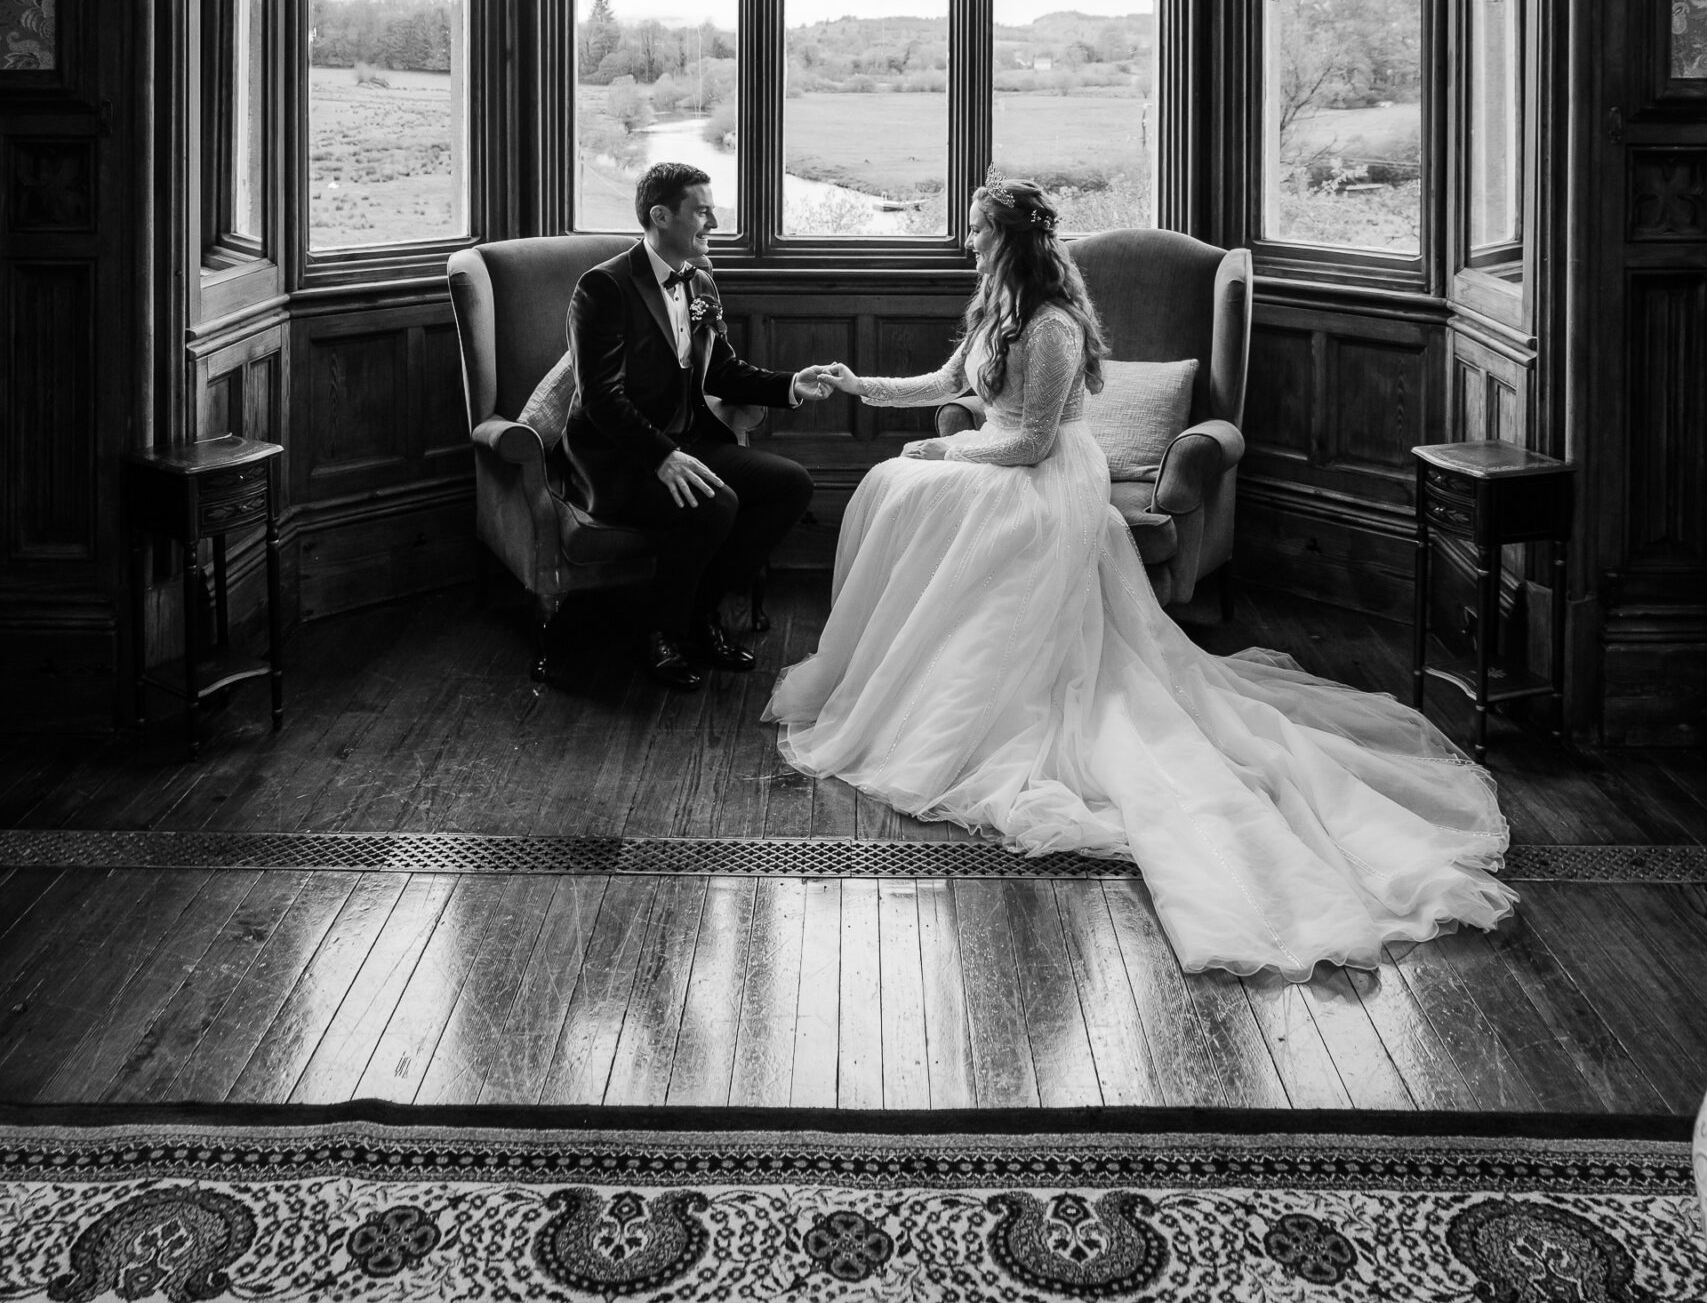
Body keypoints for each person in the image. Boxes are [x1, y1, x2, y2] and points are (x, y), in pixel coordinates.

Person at [765, 168, 1516, 981]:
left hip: (1045, 478)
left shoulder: (1049, 325)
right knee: (898, 484)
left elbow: (1027, 444)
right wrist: (858, 388)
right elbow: (944, 386)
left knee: (911, 482)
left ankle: (974, 687)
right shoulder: (993, 306)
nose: (968, 239)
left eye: (978, 229)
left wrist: (943, 447)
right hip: (1003, 463)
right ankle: (918, 668)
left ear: (1008, 239)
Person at [565, 160, 827, 692]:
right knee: (718, 502)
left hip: (689, 443)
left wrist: (791, 384)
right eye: (702, 211)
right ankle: (657, 633)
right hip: (623, 459)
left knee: (790, 485)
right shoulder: (604, 288)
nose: (713, 221)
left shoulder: (700, 279)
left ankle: (698, 618)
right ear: (661, 216)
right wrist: (661, 456)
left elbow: (723, 369)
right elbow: (600, 398)